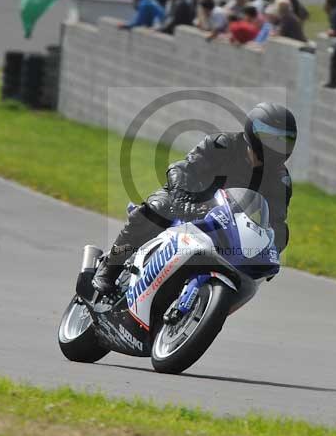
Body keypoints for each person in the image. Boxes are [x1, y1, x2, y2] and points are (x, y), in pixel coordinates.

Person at [91, 103, 297, 294]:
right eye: (268, 137)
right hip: (189, 203)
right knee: (157, 208)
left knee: (250, 272)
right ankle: (110, 266)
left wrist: (270, 251)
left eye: (281, 140)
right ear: (252, 132)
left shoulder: (280, 180)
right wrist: (182, 198)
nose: (274, 145)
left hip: (228, 226)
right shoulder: (222, 145)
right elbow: (183, 169)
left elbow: (276, 222)